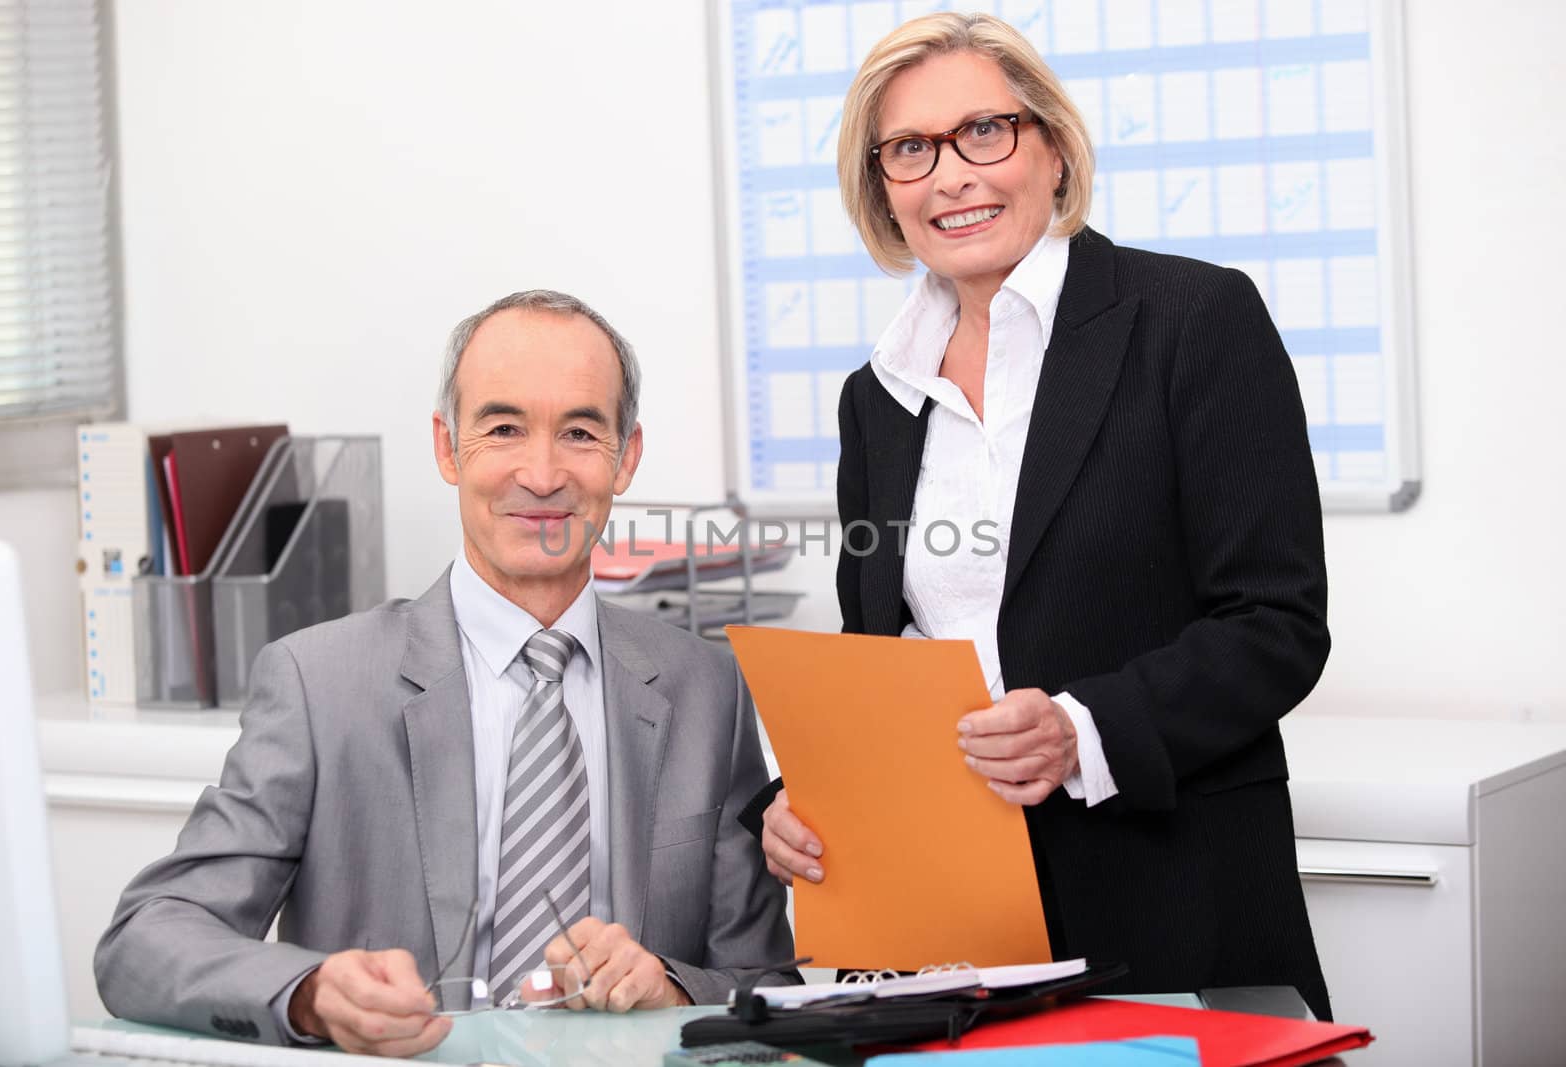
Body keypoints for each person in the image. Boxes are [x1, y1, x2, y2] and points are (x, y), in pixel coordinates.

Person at [753, 13, 1332, 1017]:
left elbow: (1276, 624)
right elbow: (884, 655)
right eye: (910, 150)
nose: (951, 175)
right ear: (883, 189)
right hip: (952, 922)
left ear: (1052, 148)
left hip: (1168, 898)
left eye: (985, 131)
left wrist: (1081, 728)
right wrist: (804, 800)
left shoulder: (1193, 321)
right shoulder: (876, 395)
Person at [96, 290, 795, 1055]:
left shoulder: (706, 687)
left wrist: (670, 983)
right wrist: (308, 991)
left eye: (580, 432)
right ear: (448, 447)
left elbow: (764, 982)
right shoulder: (319, 682)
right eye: (503, 428)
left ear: (625, 456)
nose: (542, 472)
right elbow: (144, 939)